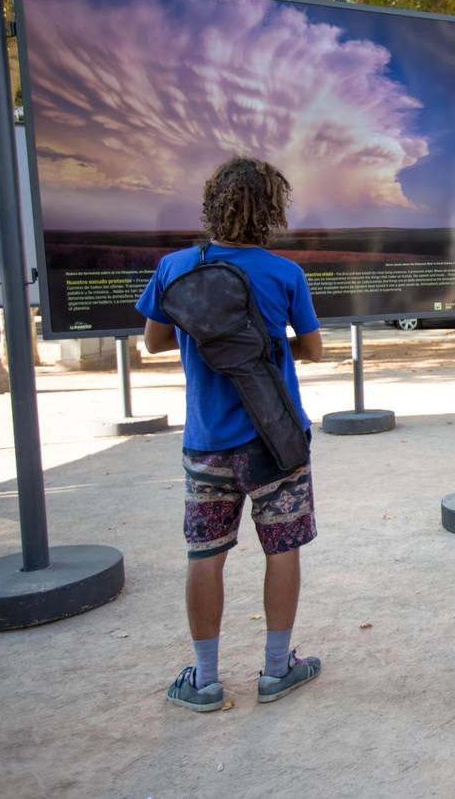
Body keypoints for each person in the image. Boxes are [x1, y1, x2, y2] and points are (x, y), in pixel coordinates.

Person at [136, 156, 324, 712]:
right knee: (282, 548)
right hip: (277, 441)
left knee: (205, 554)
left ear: (211, 205)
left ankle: (205, 679)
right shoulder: (284, 273)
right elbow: (312, 350)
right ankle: (275, 671)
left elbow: (154, 343)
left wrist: (210, 345)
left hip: (207, 440)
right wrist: (265, 350)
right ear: (271, 210)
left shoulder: (174, 267)